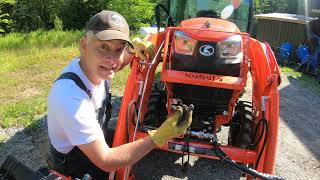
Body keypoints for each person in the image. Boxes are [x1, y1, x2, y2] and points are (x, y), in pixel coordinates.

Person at [46, 10, 193, 179]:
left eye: (118, 49)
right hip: (74, 167)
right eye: (103, 47)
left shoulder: (98, 67)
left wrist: (135, 49)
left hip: (89, 147)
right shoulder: (70, 97)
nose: (112, 60)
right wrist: (158, 136)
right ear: (84, 45)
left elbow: (124, 58)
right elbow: (106, 159)